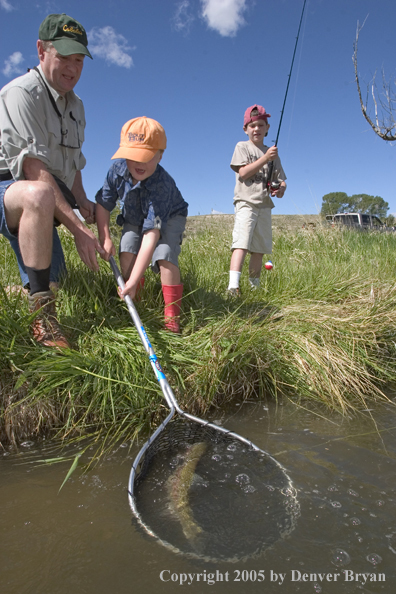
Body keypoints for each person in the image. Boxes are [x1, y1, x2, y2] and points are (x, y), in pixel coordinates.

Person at [0, 13, 104, 348]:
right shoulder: (20, 94)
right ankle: (44, 323)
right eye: (64, 57)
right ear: (42, 51)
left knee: (52, 280)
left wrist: (84, 204)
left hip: (41, 193)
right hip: (10, 188)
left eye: (79, 60)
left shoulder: (77, 107)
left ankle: (21, 296)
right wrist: (77, 228)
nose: (72, 68)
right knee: (39, 194)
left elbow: (71, 168)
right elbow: (34, 170)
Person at [95, 116, 188, 333]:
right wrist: (105, 237)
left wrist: (134, 279)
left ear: (160, 155)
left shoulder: (162, 184)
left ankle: (171, 316)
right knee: (127, 248)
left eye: (146, 157)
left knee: (164, 254)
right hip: (134, 217)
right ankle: (138, 301)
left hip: (170, 216)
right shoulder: (116, 171)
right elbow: (103, 205)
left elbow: (151, 237)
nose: (139, 163)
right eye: (132, 155)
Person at [227, 104, 286, 296]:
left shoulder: (273, 153)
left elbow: (281, 180)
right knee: (241, 244)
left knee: (259, 249)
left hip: (264, 205)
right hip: (246, 202)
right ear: (245, 129)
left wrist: (281, 188)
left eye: (261, 125)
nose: (257, 129)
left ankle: (254, 287)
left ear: (267, 128)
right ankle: (233, 286)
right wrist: (264, 159)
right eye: (252, 126)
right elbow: (243, 173)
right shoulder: (242, 147)